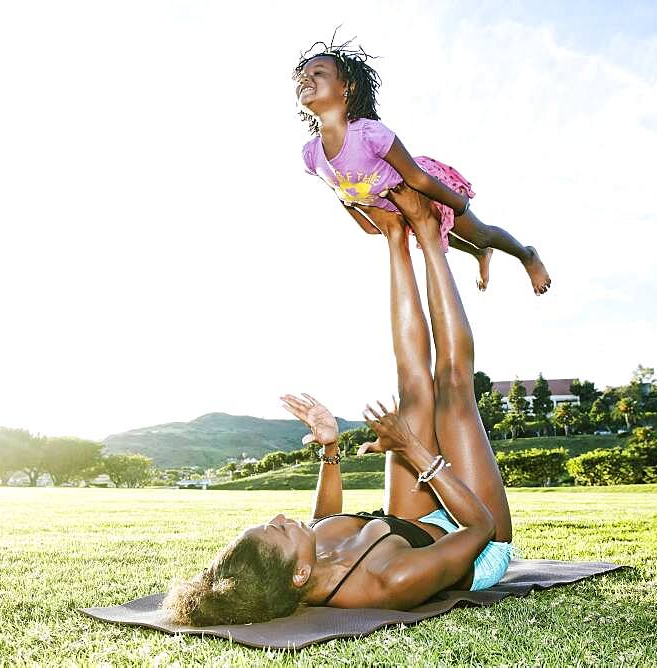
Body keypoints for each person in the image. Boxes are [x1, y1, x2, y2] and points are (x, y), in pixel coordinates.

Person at [162, 188, 514, 625]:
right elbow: (478, 529)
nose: (279, 517)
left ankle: (394, 238)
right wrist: (411, 449)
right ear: (301, 573)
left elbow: (324, 520)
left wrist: (330, 449)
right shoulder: (392, 580)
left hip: (411, 523)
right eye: (278, 529)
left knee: (413, 392)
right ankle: (427, 231)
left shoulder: (306, 557)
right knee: (452, 392)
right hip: (476, 540)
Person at [295, 41, 551, 295]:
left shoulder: (369, 133)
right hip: (396, 208)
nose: (306, 78)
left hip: (424, 188)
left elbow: (417, 178)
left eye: (318, 72)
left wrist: (458, 203)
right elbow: (340, 187)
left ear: (347, 88)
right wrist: (367, 225)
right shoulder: (311, 154)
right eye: (303, 75)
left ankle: (526, 255)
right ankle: (480, 254)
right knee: (443, 237)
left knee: (479, 234)